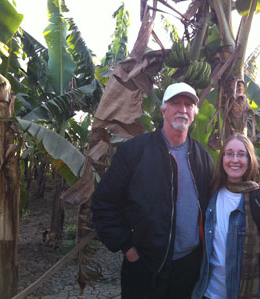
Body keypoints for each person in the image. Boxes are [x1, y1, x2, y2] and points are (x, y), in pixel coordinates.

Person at [91, 82, 214, 299]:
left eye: (188, 105)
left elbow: (217, 197)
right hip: (145, 265)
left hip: (189, 266)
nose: (182, 109)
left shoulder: (201, 156)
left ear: (194, 113)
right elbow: (104, 202)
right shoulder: (135, 151)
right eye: (175, 103)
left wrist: (252, 190)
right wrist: (128, 249)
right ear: (163, 109)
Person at [192, 134, 260, 299]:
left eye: (241, 154)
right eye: (229, 153)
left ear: (250, 160)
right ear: (222, 158)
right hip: (208, 293)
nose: (234, 159)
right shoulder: (211, 195)